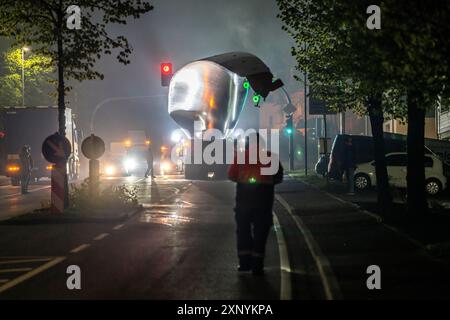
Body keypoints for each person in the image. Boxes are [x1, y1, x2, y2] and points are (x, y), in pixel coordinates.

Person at [228, 133, 283, 276]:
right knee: (261, 232)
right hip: (264, 201)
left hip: (243, 201)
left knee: (243, 231)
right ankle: (257, 265)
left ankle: (244, 263)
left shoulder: (240, 157)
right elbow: (278, 177)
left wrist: (244, 179)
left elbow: (231, 175)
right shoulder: (270, 157)